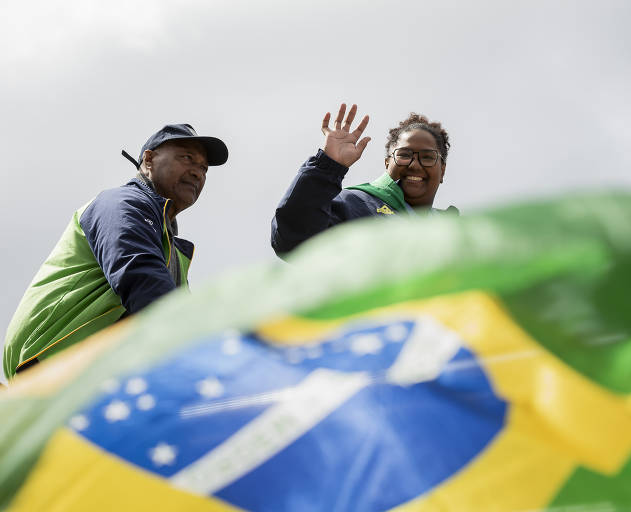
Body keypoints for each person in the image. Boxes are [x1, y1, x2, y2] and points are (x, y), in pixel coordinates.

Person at [3, 124, 228, 379]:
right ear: (149, 159)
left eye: (203, 168)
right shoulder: (123, 203)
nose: (197, 172)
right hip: (53, 363)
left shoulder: (169, 248)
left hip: (91, 371)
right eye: (187, 158)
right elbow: (142, 278)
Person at [271, 103, 457, 255]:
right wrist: (327, 166)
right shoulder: (355, 205)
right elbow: (294, 240)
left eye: (427, 157)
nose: (415, 165)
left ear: (443, 169)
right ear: (387, 163)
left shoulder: (455, 233)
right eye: (404, 155)